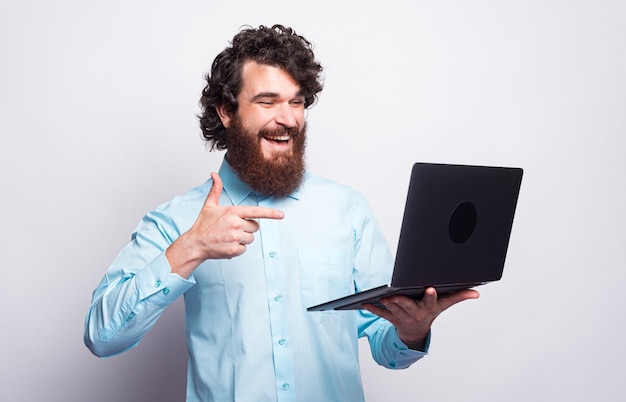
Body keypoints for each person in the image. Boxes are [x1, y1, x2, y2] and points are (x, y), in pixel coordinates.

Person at [84, 24, 479, 401]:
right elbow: (102, 336)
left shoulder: (347, 209)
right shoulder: (178, 219)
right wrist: (188, 249)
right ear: (226, 112)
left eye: (297, 102)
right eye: (267, 101)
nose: (288, 118)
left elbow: (385, 342)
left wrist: (411, 332)